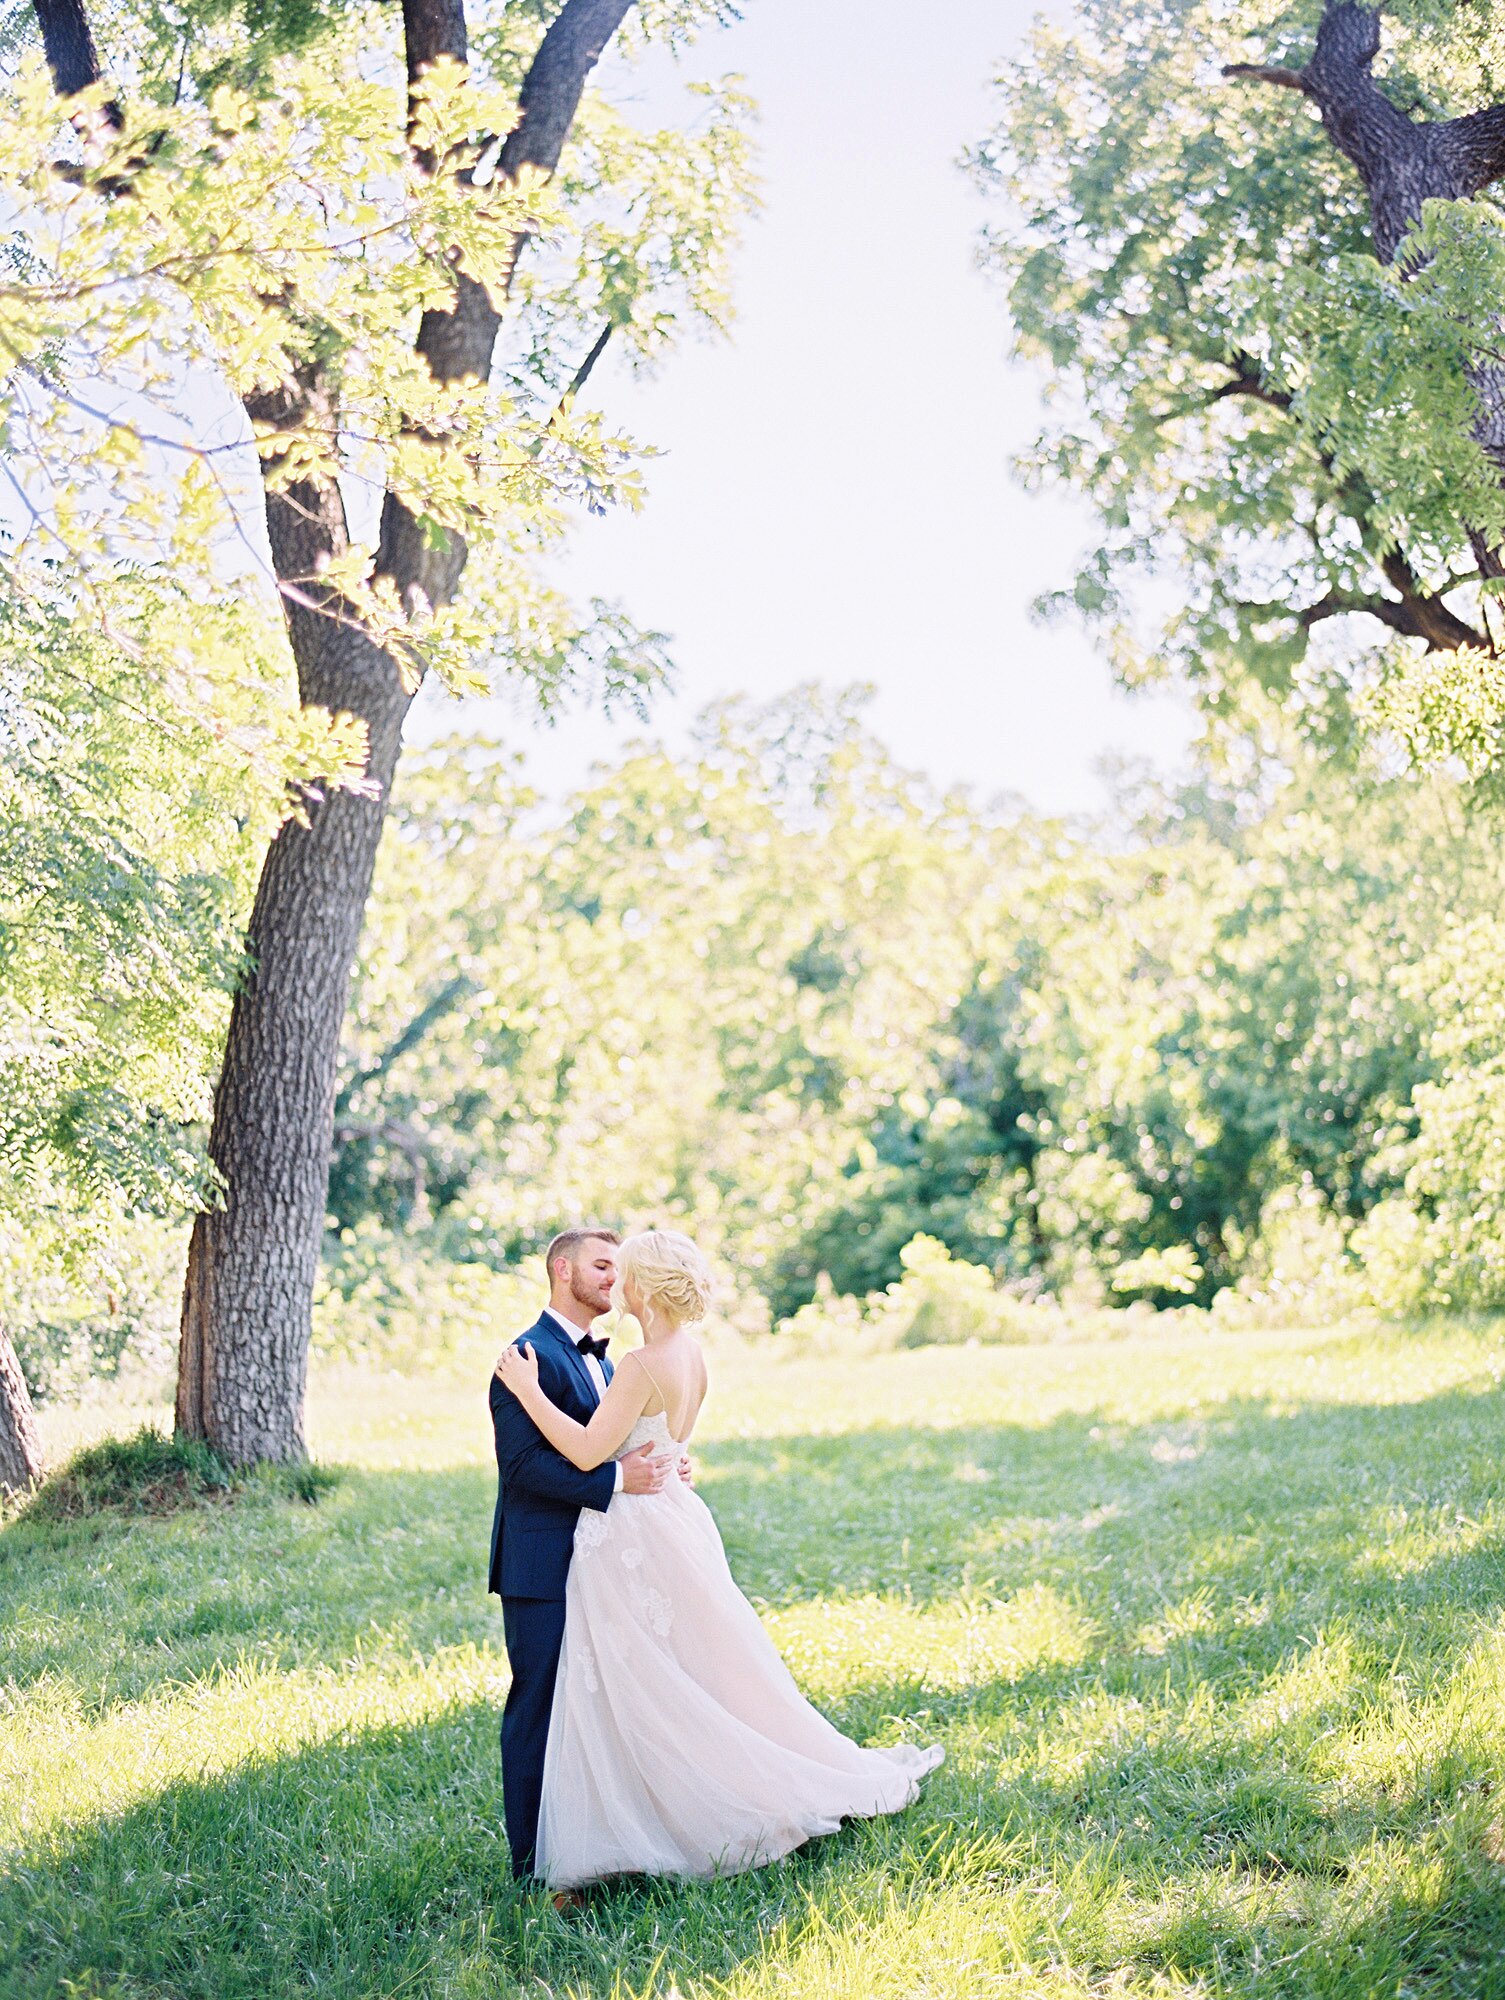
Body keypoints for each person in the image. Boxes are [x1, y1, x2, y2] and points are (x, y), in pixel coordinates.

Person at [494, 1226, 943, 1891]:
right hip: (666, 1523)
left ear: (644, 1285)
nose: (616, 1282)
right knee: (682, 1673)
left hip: (635, 1534)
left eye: (624, 1273)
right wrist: (664, 1462)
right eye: (603, 1268)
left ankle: (673, 1820)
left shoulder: (641, 1363)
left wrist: (533, 1396)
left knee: (656, 1680)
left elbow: (591, 1452)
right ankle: (607, 1830)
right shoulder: (686, 1355)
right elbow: (641, 1441)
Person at [487, 1226, 678, 1886]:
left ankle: (601, 1841)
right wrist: (619, 1480)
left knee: (602, 1705)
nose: (614, 1278)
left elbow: (616, 1437)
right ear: (562, 1271)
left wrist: (664, 1464)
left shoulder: (608, 1358)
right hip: (542, 1562)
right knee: (539, 1707)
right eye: (601, 1265)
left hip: (605, 1561)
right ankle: (531, 1865)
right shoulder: (524, 1357)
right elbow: (522, 1467)